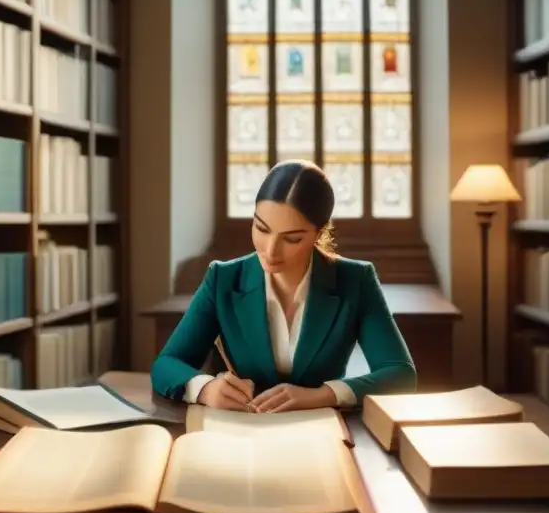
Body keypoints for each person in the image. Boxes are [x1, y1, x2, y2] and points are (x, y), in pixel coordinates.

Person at [151, 159, 417, 413]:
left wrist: (321, 396)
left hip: (322, 431)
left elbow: (400, 374)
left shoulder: (355, 280)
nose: (270, 250)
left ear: (319, 233)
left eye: (291, 239)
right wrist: (205, 388)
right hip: (241, 429)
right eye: (261, 228)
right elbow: (167, 364)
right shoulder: (223, 278)